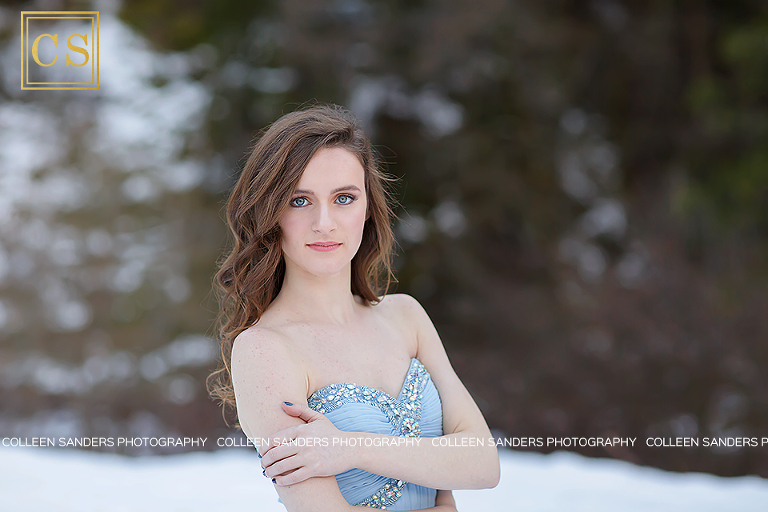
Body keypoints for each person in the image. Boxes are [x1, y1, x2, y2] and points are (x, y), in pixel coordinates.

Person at [207, 104, 500, 511]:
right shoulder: (265, 350)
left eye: (344, 198)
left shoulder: (406, 317)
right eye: (299, 201)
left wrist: (350, 448)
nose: (324, 222)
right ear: (270, 214)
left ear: (367, 208)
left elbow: (484, 464)